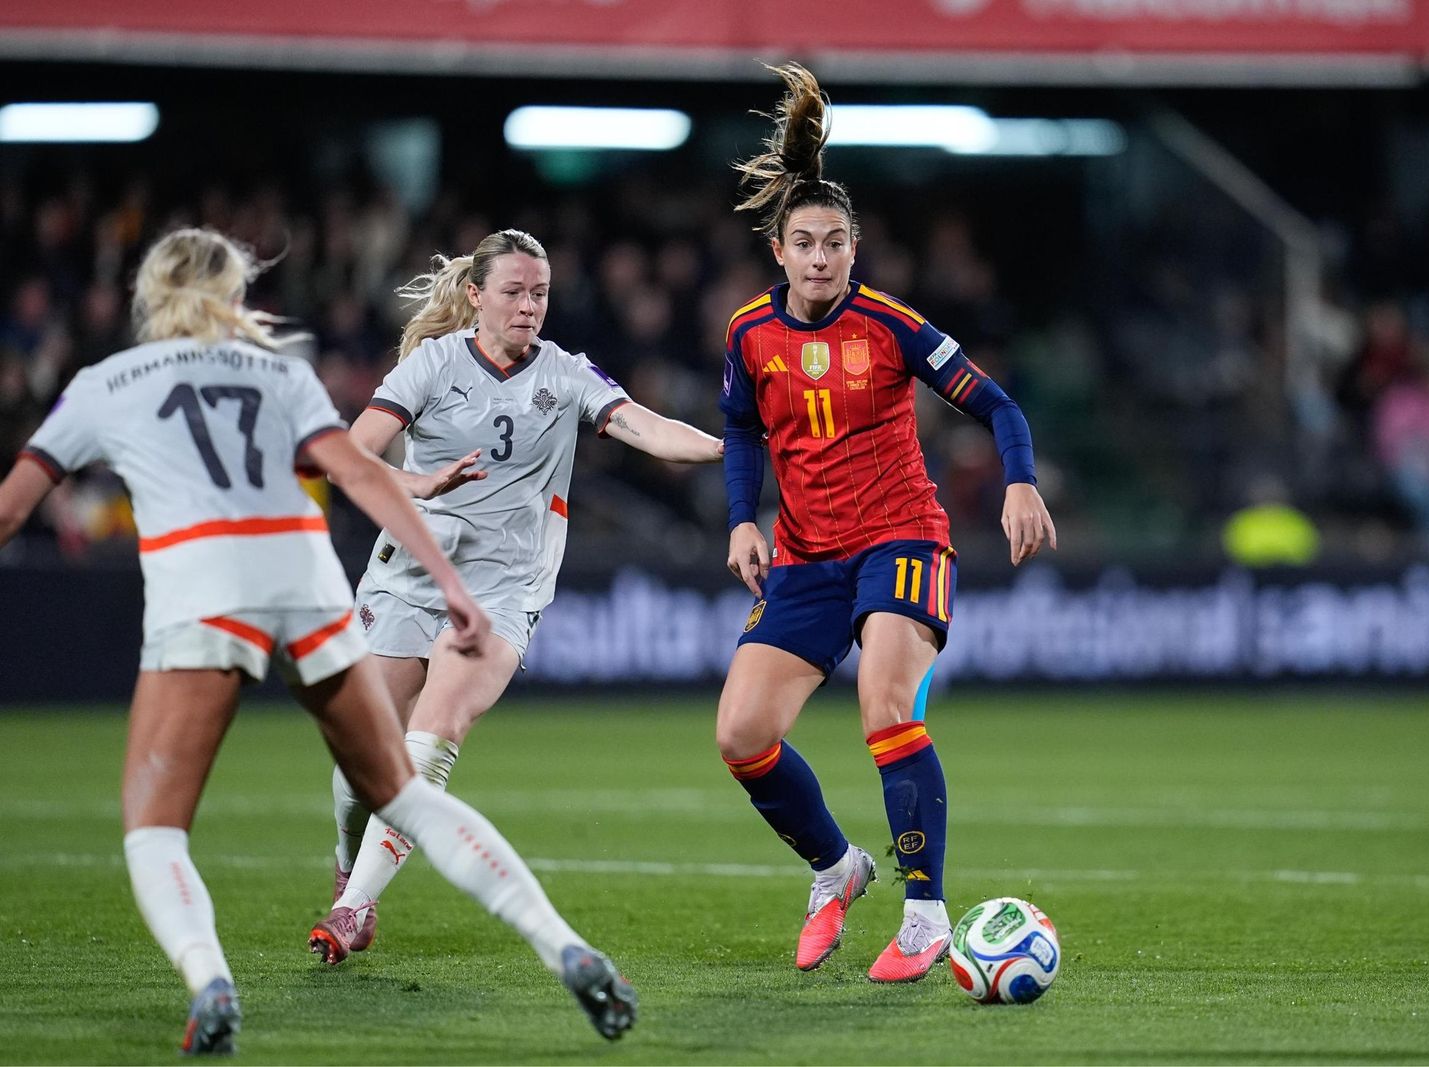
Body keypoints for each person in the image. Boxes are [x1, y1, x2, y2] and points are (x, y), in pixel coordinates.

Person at [0, 228, 637, 1053]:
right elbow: (363, 473)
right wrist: (452, 588)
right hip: (305, 585)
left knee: (155, 829)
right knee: (402, 788)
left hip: (207, 592)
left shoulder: (105, 382)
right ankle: (564, 945)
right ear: (235, 301)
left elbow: (13, 509)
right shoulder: (279, 372)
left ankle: (210, 979)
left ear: (148, 299)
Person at [716, 63, 1056, 983]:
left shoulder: (893, 327)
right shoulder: (750, 334)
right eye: (804, 242)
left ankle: (924, 913)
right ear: (779, 251)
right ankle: (837, 868)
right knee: (740, 734)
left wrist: (1021, 484)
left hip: (902, 536)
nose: (820, 257)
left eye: (835, 242)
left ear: (854, 249)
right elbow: (742, 429)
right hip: (805, 557)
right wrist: (742, 520)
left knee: (884, 706)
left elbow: (1003, 409)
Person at [312, 229, 722, 961]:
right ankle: (350, 864)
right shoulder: (430, 366)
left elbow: (646, 429)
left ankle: (353, 904)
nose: (530, 305)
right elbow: (349, 457)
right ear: (476, 296)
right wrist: (423, 484)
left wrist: (728, 447)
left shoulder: (565, 374)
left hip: (503, 587)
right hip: (410, 572)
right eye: (514, 291)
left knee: (429, 740)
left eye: (540, 293)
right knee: (361, 757)